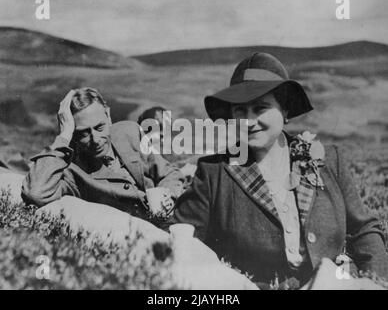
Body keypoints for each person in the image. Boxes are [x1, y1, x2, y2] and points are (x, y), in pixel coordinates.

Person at [163, 53, 388, 289]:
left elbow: (364, 231)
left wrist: (379, 282)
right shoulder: (214, 172)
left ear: (286, 111)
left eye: (260, 108)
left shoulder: (329, 161)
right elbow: (183, 241)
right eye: (240, 111)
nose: (249, 122)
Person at [22, 88, 185, 222]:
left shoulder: (130, 132)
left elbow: (169, 173)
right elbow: (36, 193)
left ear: (108, 116)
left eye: (99, 127)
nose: (95, 139)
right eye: (83, 134)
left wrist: (167, 194)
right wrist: (64, 135)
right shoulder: (71, 170)